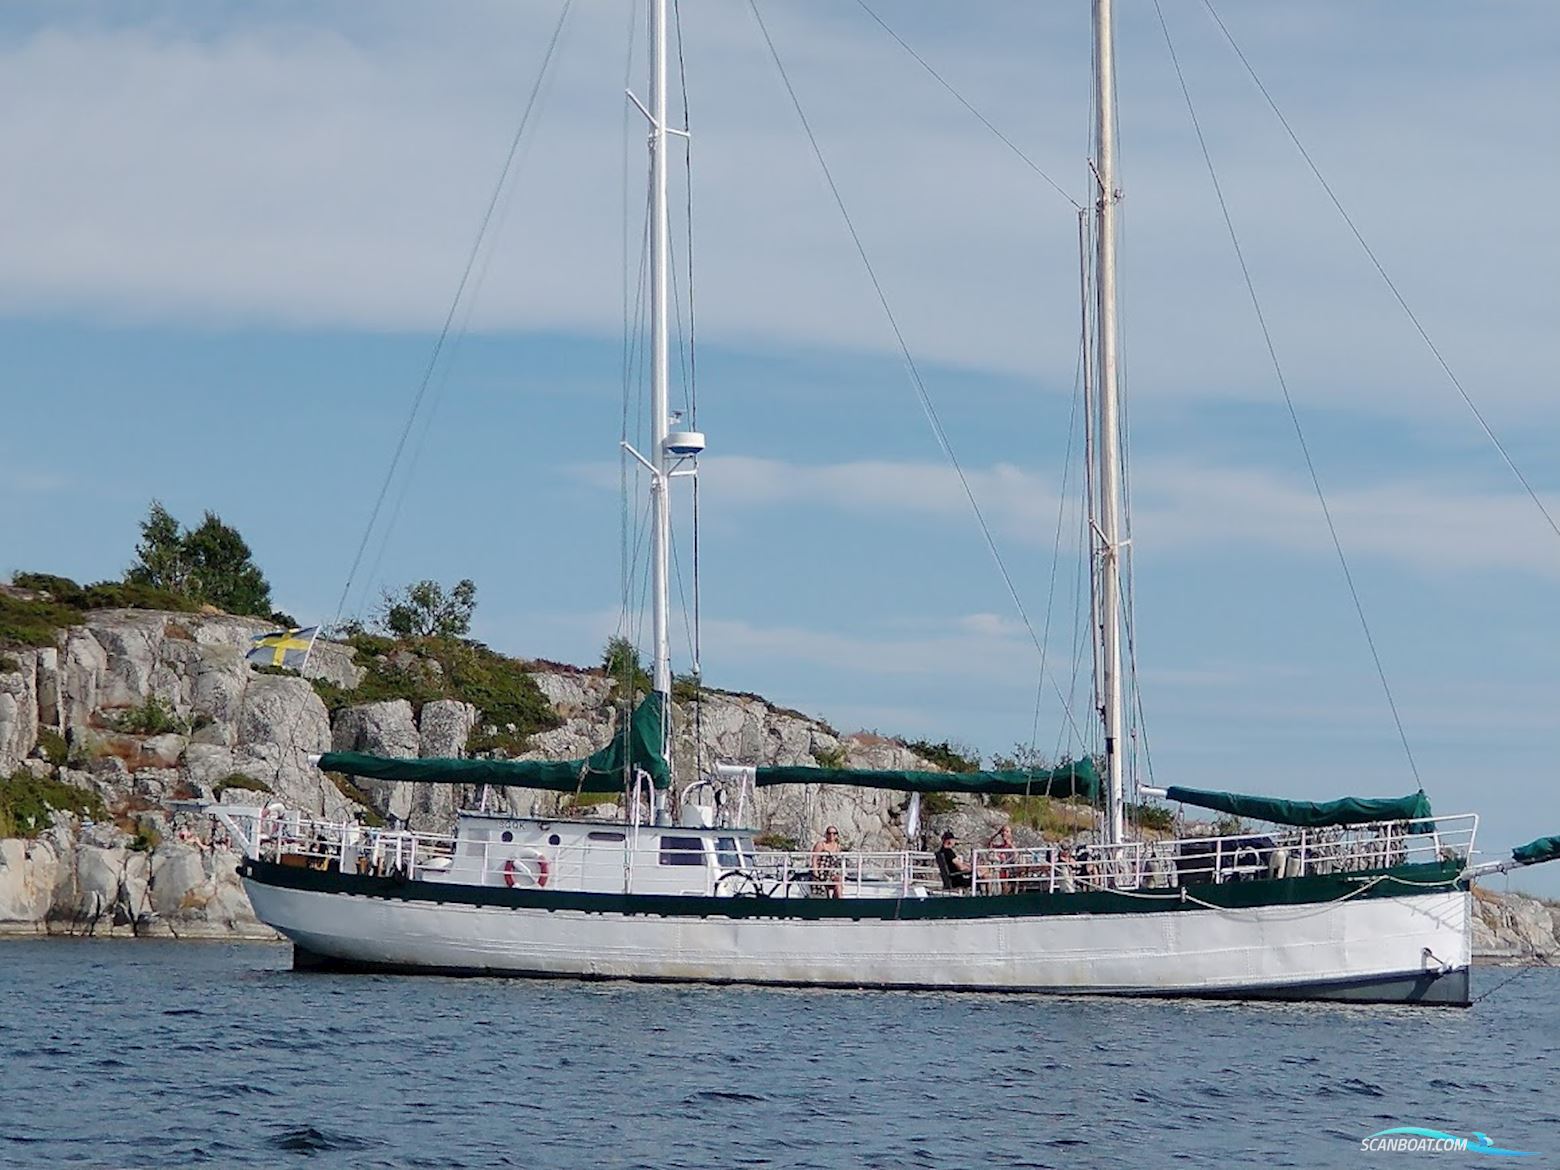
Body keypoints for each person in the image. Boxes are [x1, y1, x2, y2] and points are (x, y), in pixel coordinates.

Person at [811, 825, 845, 898]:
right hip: (822, 871)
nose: (831, 835)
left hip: (833, 871)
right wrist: (815, 871)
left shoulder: (838, 846)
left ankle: (838, 900)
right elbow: (814, 858)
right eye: (829, 833)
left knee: (838, 884)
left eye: (834, 833)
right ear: (826, 834)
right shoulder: (820, 845)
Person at [985, 824, 1017, 893]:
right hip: (998, 869)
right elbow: (989, 844)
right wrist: (997, 834)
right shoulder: (1001, 846)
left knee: (1006, 886)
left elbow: (1015, 854)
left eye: (1007, 831)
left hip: (1008, 869)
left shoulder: (1011, 846)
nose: (1004, 833)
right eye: (1003, 831)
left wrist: (1010, 844)